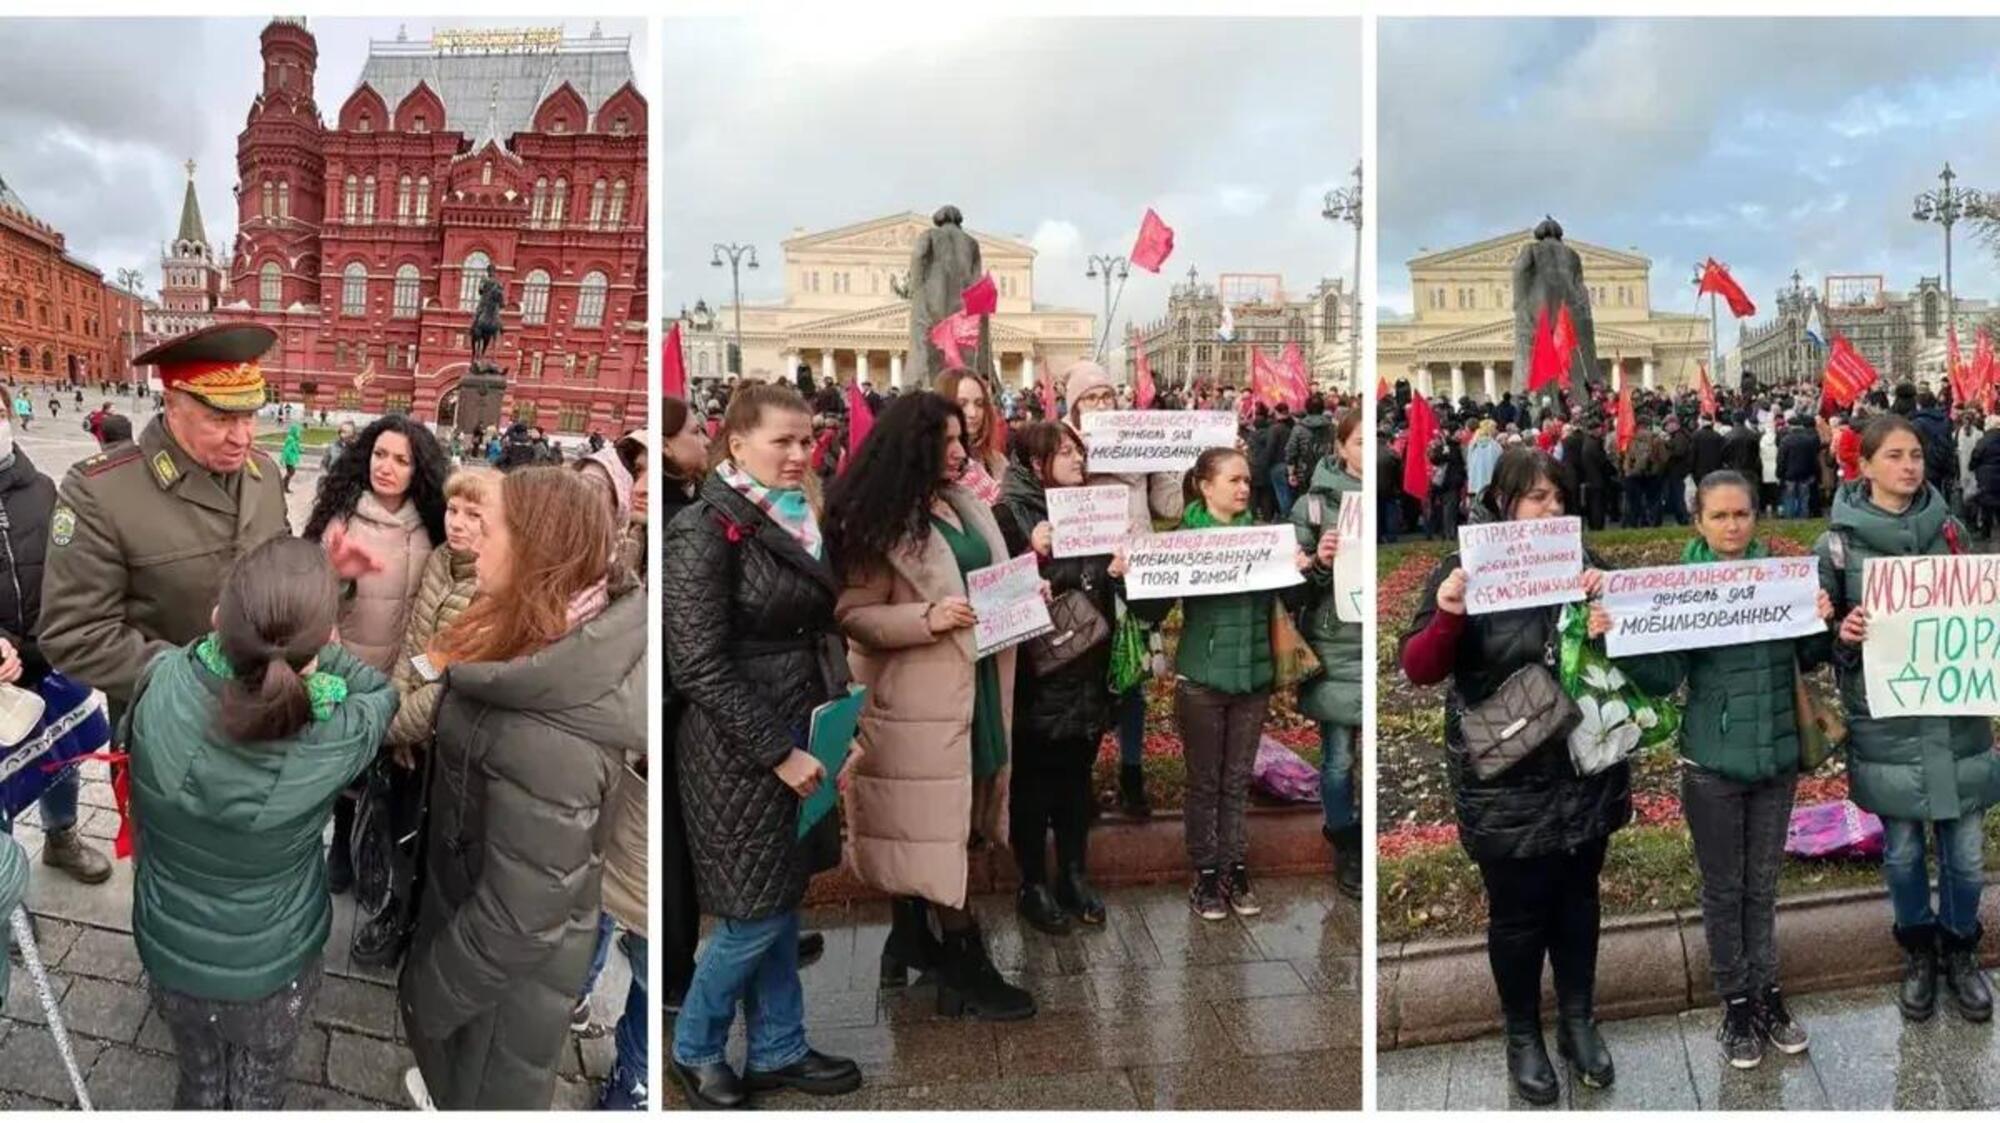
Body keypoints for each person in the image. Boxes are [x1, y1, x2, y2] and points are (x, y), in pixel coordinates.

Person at [399, 467, 645, 1110]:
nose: (476, 542)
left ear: (537, 552)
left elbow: (518, 920)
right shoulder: (526, 631)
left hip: (492, 1003)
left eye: (494, 529)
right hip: (480, 963)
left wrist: (426, 994)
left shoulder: (550, 735)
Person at [128, 537, 396, 1109]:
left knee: (198, 1082)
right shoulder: (335, 734)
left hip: (169, 951)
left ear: (220, 618)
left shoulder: (161, 678)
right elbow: (382, 694)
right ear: (324, 641)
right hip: (273, 971)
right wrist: (317, 640)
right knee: (258, 1093)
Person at [1398, 446, 1625, 1105]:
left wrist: (1612, 616)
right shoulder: (1464, 569)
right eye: (1535, 496)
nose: (1550, 508)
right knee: (1519, 913)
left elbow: (1632, 657)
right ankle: (1522, 1032)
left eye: (1558, 496)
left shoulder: (1586, 564)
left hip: (1582, 764)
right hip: (1505, 773)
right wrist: (1449, 612)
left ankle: (1579, 1021)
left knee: (1580, 898)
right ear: (1503, 501)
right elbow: (1420, 666)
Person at [664, 383, 862, 1109]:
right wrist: (778, 750)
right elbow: (697, 664)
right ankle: (692, 1047)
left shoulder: (792, 512)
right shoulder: (703, 528)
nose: (798, 453)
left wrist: (839, 719)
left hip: (799, 729)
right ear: (735, 441)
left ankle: (777, 1045)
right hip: (736, 750)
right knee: (753, 915)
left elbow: (815, 623)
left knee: (779, 899)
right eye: (781, 440)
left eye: (806, 440)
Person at [1604, 470, 1832, 1068]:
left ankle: (1769, 995)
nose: (1733, 526)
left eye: (1743, 514)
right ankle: (1736, 1003)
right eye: (1720, 516)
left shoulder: (1781, 579)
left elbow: (1808, 655)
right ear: (1699, 522)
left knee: (1763, 886)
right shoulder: (1681, 588)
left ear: (1757, 517)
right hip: (1711, 762)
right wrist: (1617, 640)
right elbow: (1664, 677)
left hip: (1777, 757)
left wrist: (1820, 618)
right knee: (1724, 888)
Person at [826, 391, 1034, 1021]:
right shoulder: (877, 522)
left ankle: (914, 937)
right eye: (942, 442)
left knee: (956, 817)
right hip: (917, 703)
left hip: (973, 689)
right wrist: (928, 616)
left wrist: (1023, 589)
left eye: (959, 440)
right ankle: (964, 957)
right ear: (910, 448)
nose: (957, 451)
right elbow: (851, 615)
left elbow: (983, 579)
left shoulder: (965, 503)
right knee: (933, 826)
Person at [40, 325, 349, 716]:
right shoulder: (101, 492)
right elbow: (75, 635)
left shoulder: (265, 474)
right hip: (169, 727)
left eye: (249, 416)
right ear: (171, 405)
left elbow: (280, 571)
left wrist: (319, 602)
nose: (243, 437)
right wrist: (201, 674)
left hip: (269, 717)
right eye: (220, 419)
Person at [1815, 414, 2000, 1025]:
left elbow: (1972, 613)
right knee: (1900, 854)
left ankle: (1961, 950)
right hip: (1887, 718)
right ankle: (1918, 952)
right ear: (1864, 466)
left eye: (1915, 454)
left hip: (1955, 715)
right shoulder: (1837, 544)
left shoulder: (1950, 529)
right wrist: (1843, 632)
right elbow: (1820, 638)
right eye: (1893, 455)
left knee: (1967, 856)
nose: (1909, 465)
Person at [1124, 447, 1311, 921]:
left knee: (1235, 780)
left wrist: (1307, 568)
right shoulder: (1185, 540)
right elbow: (1151, 612)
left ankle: (1236, 866)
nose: (1244, 488)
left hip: (1254, 678)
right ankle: (1205, 874)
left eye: (1247, 480)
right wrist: (1130, 578)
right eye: (1233, 480)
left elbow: (1291, 599)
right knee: (1204, 782)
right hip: (1202, 681)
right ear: (1205, 486)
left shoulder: (1264, 537)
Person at [354, 465, 499, 971]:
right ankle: (395, 911)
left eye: (473, 515)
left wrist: (387, 727)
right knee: (401, 828)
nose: (457, 523)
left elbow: (451, 682)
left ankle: (424, 932)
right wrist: (398, 705)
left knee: (439, 847)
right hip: (413, 736)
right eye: (453, 510)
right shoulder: (441, 560)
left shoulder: (495, 583)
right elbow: (419, 650)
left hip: (453, 745)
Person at [303, 415, 447, 897]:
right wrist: (337, 666)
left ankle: (376, 849)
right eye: (380, 455)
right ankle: (340, 842)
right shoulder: (341, 520)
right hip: (348, 667)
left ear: (417, 470)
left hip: (403, 673)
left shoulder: (432, 525)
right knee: (345, 766)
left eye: (401, 460)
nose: (386, 467)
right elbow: (318, 602)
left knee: (391, 770)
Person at [991, 422, 1118, 933]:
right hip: (1037, 675)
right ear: (1034, 461)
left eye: (1078, 451)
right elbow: (994, 596)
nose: (1076, 460)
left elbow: (1103, 585)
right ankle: (1032, 884)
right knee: (1033, 786)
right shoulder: (1008, 514)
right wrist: (1033, 554)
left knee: (1074, 781)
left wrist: (1119, 567)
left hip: (1087, 668)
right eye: (1063, 452)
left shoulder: (1092, 508)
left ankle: (1073, 874)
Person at [0, 393, 110, 882]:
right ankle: (6, 882)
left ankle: (61, 836)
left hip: (47, 653)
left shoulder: (42, 489)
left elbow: (70, 569)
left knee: (63, 752)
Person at [1065, 360, 1181, 820]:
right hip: (1088, 578)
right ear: (1073, 406)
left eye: (1106, 395)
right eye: (1089, 398)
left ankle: (1132, 773)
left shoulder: (1138, 441)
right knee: (1089, 676)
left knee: (1133, 678)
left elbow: (1169, 505)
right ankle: (1085, 778)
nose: (1100, 404)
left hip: (1138, 575)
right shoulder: (1066, 445)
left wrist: (1168, 459)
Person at [1292, 410, 1364, 899]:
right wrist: (1318, 561)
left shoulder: (1391, 496)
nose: (1366, 451)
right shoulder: (1312, 507)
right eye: (1358, 442)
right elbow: (1295, 586)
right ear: (1341, 448)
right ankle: (1344, 843)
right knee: (1338, 758)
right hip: (1336, 641)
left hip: (1370, 641)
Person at [935, 369, 1005, 502]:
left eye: (979, 404)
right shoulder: (931, 466)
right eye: (962, 404)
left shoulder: (997, 461)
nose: (973, 413)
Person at [280, 421, 303, 494]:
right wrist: (282, 459)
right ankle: (284, 486)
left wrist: (300, 450)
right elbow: (286, 450)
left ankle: (283, 485)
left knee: (290, 473)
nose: (299, 434)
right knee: (291, 472)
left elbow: (296, 447)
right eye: (297, 432)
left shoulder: (294, 439)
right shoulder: (290, 439)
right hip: (289, 460)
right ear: (294, 432)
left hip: (291, 459)